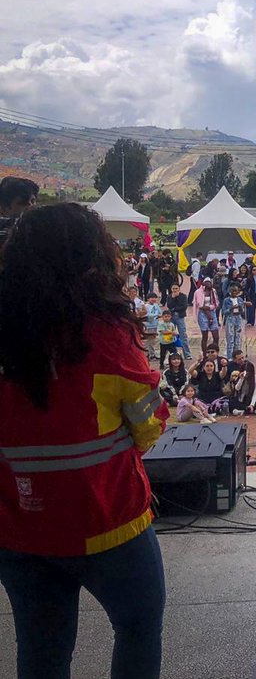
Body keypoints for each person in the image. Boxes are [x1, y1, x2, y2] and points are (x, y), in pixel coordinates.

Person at [0, 203, 169, 678]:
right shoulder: (106, 334)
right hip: (107, 520)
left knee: (41, 651)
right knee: (137, 629)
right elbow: (149, 425)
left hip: (18, 527)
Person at [165, 283, 192, 361]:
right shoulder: (169, 297)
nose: (175, 290)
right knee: (170, 335)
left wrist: (174, 308)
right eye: (173, 289)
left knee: (183, 335)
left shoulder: (183, 296)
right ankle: (170, 354)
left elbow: (183, 306)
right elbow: (169, 306)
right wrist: (173, 299)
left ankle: (187, 354)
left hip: (180, 317)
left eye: (176, 288)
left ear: (179, 289)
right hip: (172, 317)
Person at [193, 276, 220, 352]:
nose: (208, 285)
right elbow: (200, 305)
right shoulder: (198, 292)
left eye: (210, 283)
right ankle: (205, 354)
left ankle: (214, 352)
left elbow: (216, 303)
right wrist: (207, 310)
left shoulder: (213, 291)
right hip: (202, 314)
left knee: (216, 336)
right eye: (206, 283)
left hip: (212, 313)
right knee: (205, 336)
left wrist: (209, 307)